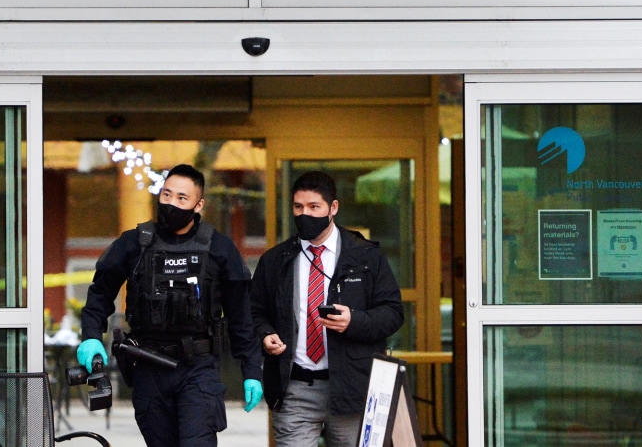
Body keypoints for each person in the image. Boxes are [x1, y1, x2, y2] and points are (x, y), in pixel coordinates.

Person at [76, 164, 264, 446]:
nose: (171, 203)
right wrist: (91, 337)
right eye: (166, 195)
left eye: (181, 198)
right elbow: (100, 294)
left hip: (198, 368)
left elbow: (241, 316)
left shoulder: (219, 248)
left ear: (198, 204)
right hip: (148, 366)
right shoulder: (134, 243)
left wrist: (251, 371)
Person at [250, 171, 404, 446]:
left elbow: (393, 313)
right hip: (294, 387)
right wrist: (265, 334)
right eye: (298, 207)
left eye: (313, 207)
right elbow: (255, 311)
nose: (304, 214)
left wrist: (354, 321)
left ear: (333, 208)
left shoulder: (365, 256)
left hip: (351, 387)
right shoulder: (275, 260)